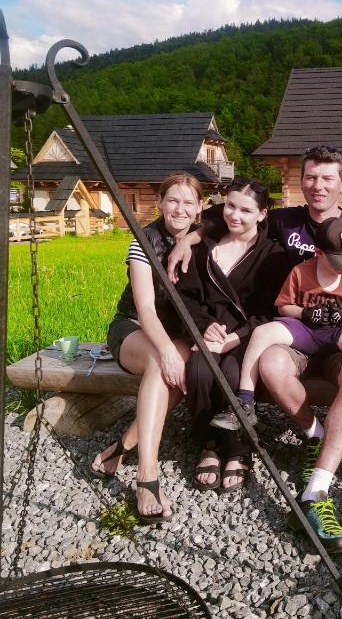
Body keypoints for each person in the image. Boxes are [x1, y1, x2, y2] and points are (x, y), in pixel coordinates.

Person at [168, 145, 342, 553]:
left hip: (339, 338)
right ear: (301, 181)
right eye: (311, 177)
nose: (318, 186)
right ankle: (315, 432)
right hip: (295, 332)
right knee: (269, 360)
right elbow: (223, 214)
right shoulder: (284, 219)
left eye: (328, 178)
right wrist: (187, 240)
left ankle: (317, 488)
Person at [90, 172, 202, 524]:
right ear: (160, 203)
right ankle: (147, 476)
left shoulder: (204, 237)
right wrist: (167, 351)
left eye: (188, 202)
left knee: (178, 373)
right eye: (173, 200)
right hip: (135, 328)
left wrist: (194, 237)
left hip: (176, 333)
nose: (180, 209)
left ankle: (122, 446)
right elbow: (146, 310)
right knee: (160, 363)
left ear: (200, 207)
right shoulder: (143, 241)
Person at [210, 216, 342, 432]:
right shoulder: (301, 272)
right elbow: (283, 307)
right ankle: (245, 402)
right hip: (305, 330)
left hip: (337, 332)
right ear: (319, 252)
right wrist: (305, 312)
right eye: (338, 261)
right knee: (261, 333)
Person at [177, 177, 289, 492]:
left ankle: (238, 448)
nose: (235, 216)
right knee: (199, 370)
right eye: (230, 206)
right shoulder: (203, 247)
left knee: (231, 371)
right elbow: (186, 297)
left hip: (247, 337)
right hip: (207, 332)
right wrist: (201, 327)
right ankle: (209, 444)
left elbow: (270, 310)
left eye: (246, 210)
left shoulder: (273, 255)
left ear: (262, 214)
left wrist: (236, 337)